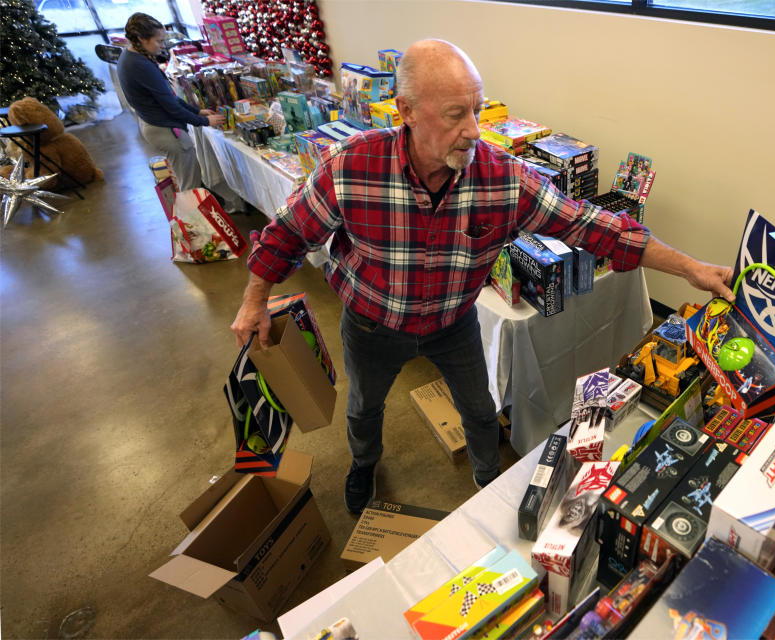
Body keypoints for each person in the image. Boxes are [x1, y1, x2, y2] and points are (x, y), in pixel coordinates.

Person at [231, 39, 734, 515]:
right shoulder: (350, 168)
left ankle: (488, 477)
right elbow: (287, 234)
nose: (473, 128)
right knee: (363, 407)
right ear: (405, 111)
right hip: (371, 325)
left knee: (479, 408)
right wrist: (255, 301)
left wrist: (691, 267)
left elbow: (593, 226)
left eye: (477, 108)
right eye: (456, 114)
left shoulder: (502, 178)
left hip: (453, 325)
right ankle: (364, 465)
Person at [117, 13, 224, 193]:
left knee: (187, 181)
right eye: (159, 41)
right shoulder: (140, 65)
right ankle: (191, 221)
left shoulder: (130, 57)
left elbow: (168, 96)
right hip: (166, 130)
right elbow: (171, 106)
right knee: (189, 187)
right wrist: (205, 122)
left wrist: (197, 112)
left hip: (154, 124)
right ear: (141, 39)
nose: (162, 46)